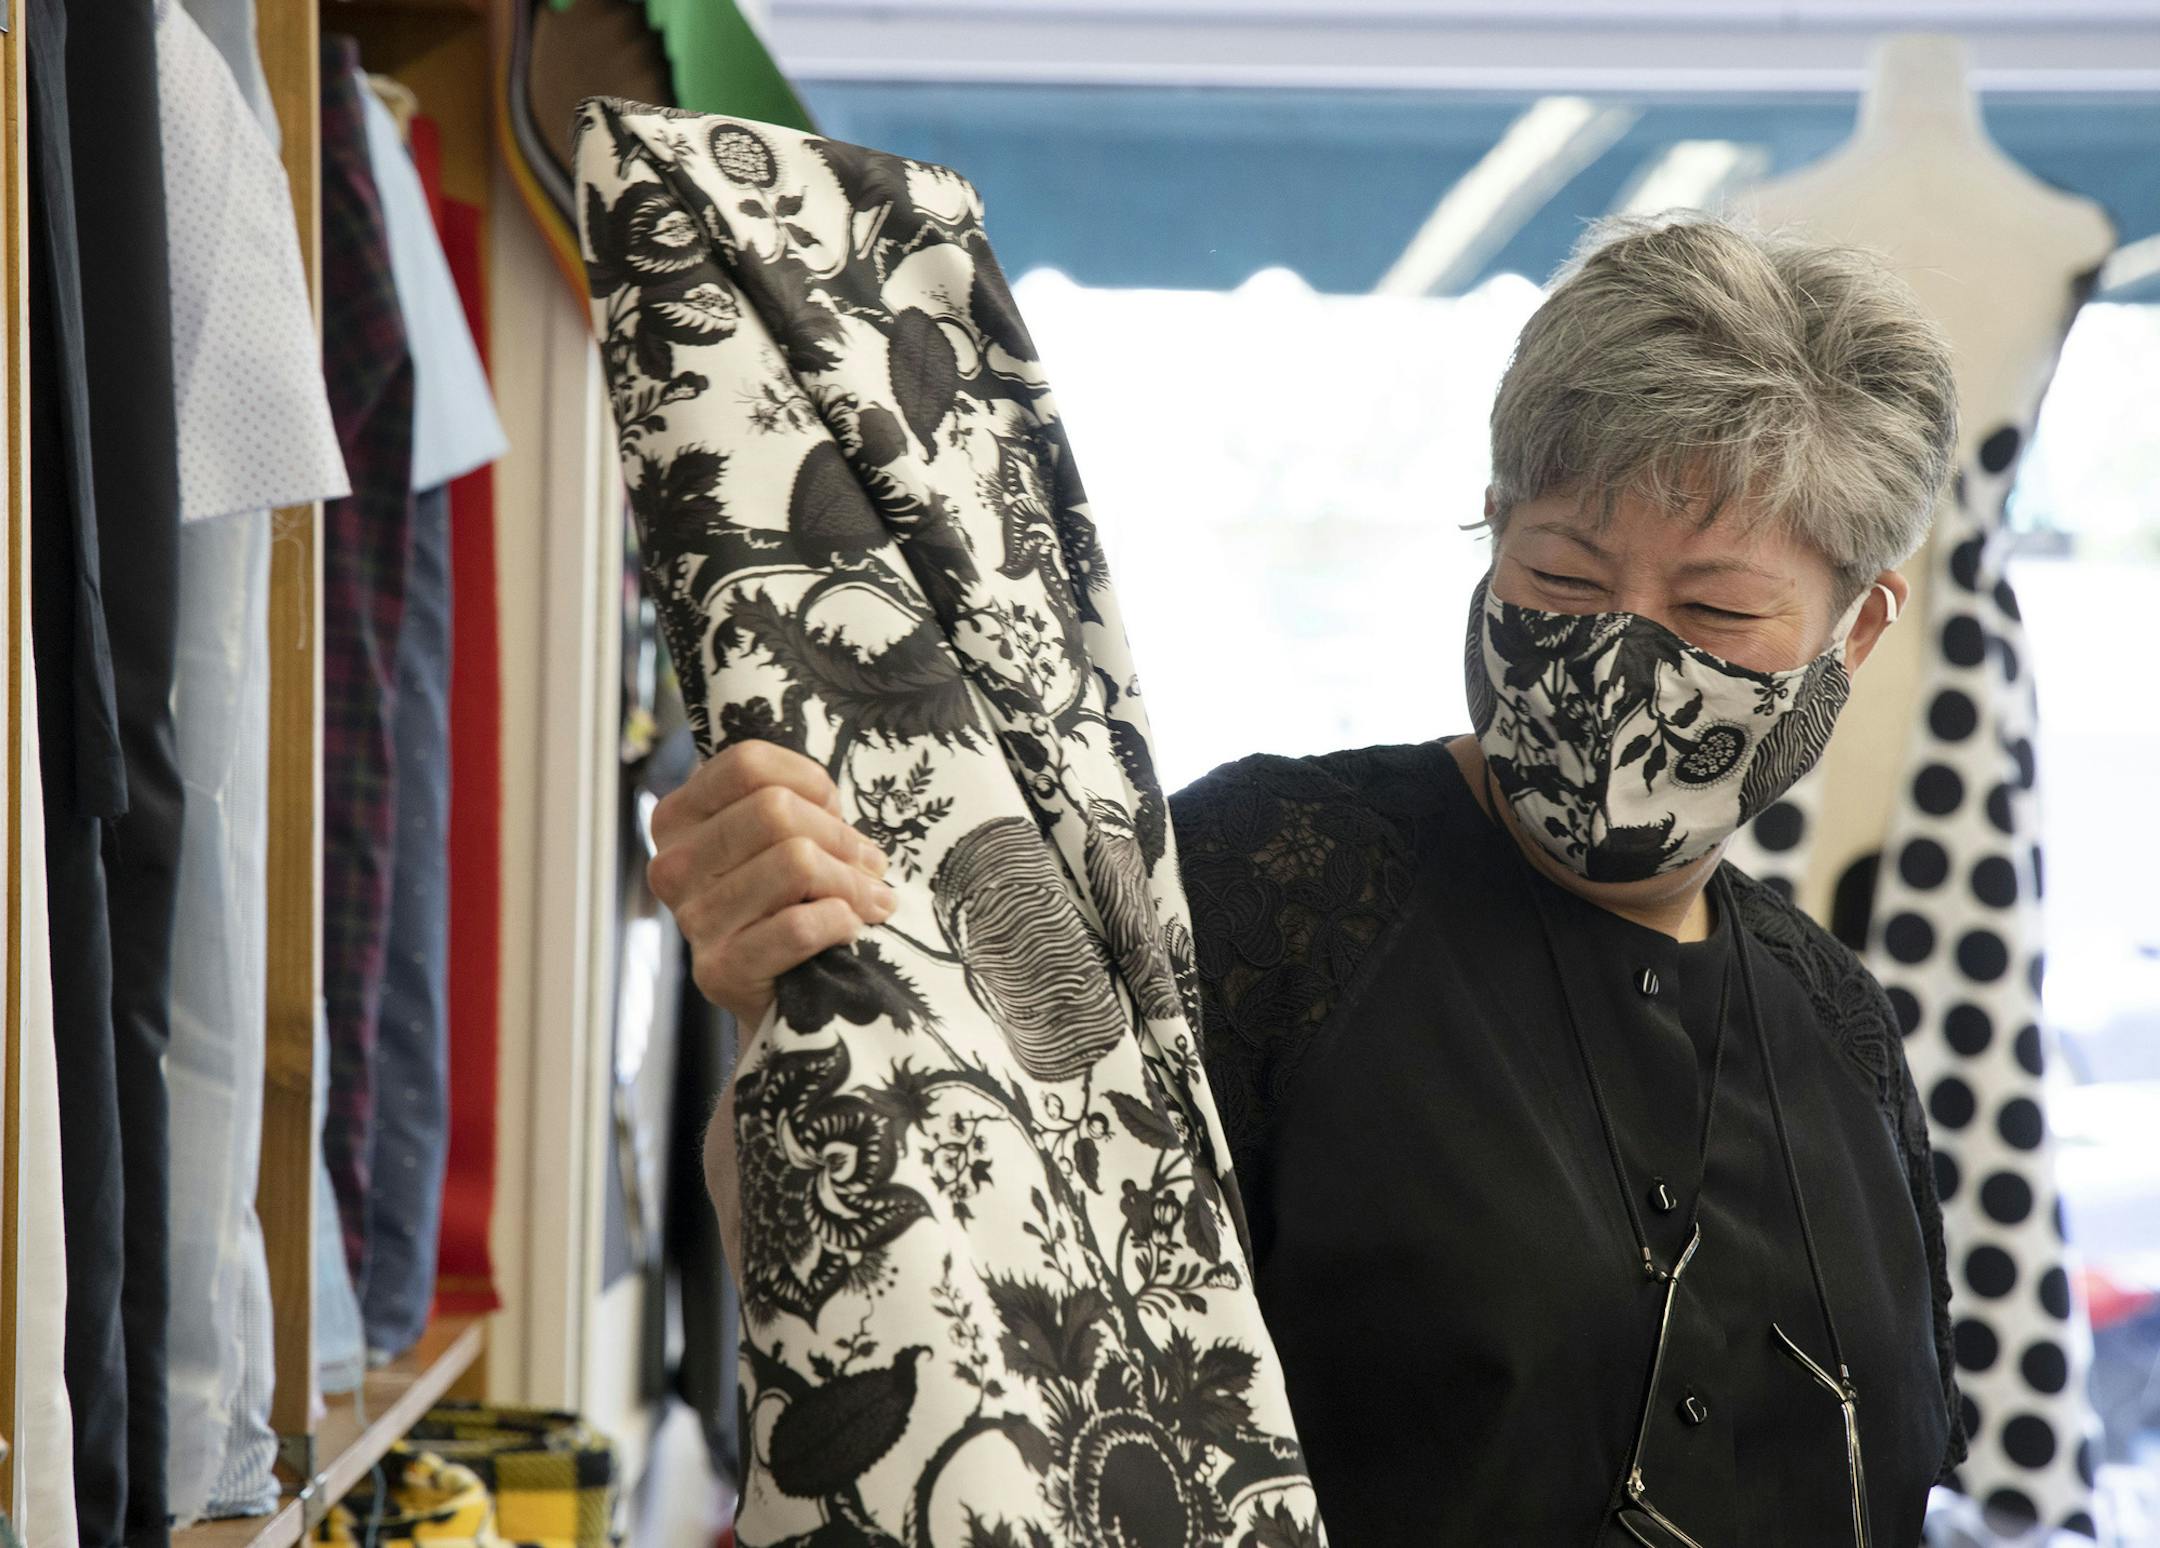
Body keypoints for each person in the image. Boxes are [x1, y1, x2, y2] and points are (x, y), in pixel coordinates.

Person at [645, 211, 1966, 1547]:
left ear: (1854, 627)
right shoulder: (1263, 887)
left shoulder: (1837, 1024)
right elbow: (926, 1286)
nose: (1621, 661)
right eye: (1562, 575)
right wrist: (794, 1005)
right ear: (1491, 533)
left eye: (1718, 614)